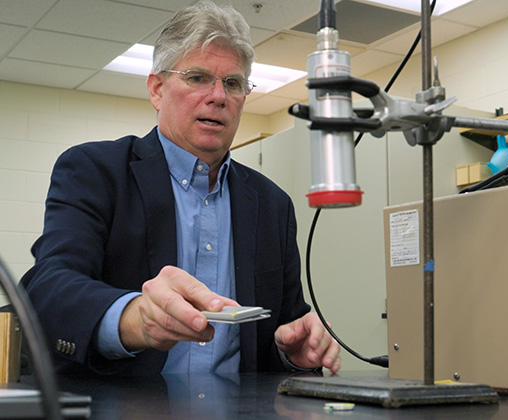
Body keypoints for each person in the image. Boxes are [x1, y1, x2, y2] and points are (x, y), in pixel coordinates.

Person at [21, 0, 341, 376]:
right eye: (198, 77)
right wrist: (133, 317)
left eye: (233, 83)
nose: (218, 96)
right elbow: (49, 289)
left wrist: (293, 352)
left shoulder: (272, 204)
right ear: (157, 89)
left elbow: (280, 333)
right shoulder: (94, 171)